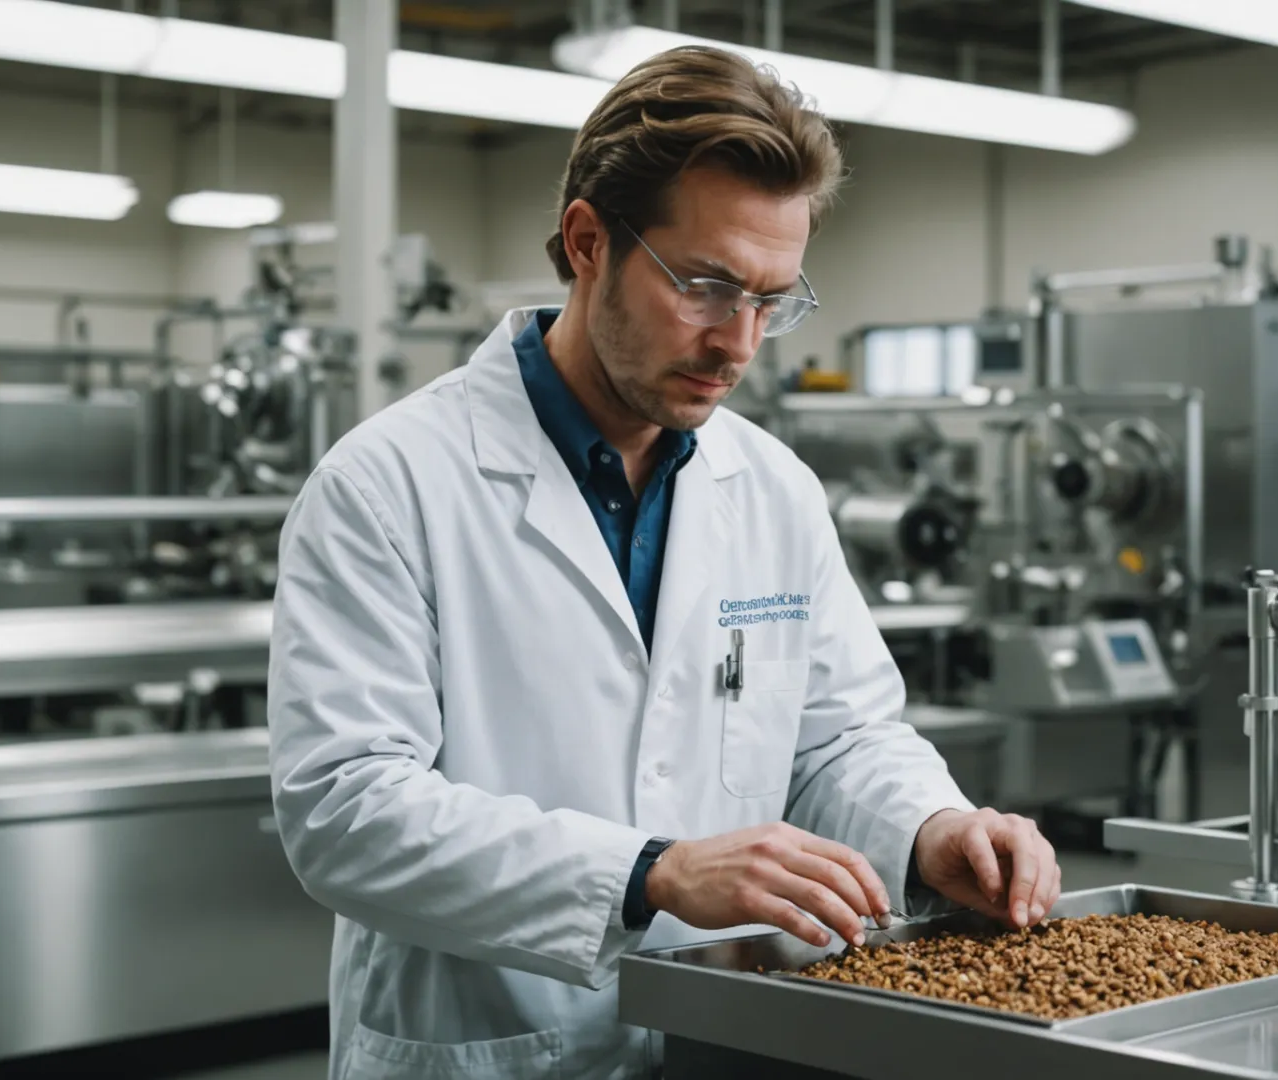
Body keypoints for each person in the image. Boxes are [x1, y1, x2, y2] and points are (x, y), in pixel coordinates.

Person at [267, 45, 1060, 1080]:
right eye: (706, 286)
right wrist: (647, 874)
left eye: (774, 300)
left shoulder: (770, 487)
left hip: (727, 1036)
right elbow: (345, 808)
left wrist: (930, 826)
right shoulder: (390, 482)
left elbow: (838, 737)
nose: (740, 341)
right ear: (588, 241)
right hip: (489, 1041)